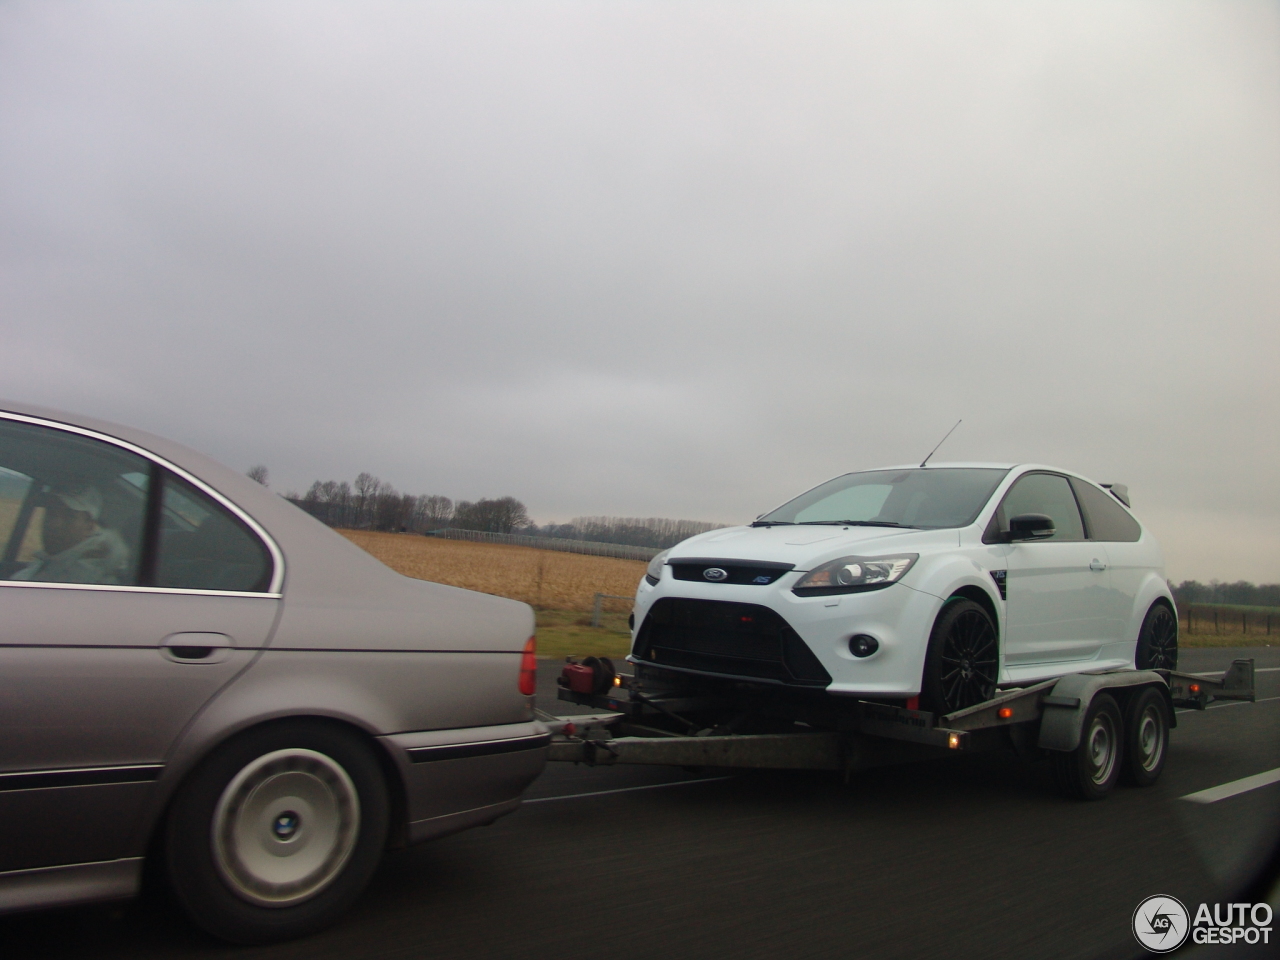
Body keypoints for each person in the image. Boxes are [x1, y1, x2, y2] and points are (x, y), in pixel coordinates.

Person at [13, 482, 132, 584]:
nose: (54, 523)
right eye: (51, 512)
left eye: (68, 516)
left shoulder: (90, 573)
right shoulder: (52, 561)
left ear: (89, 526)